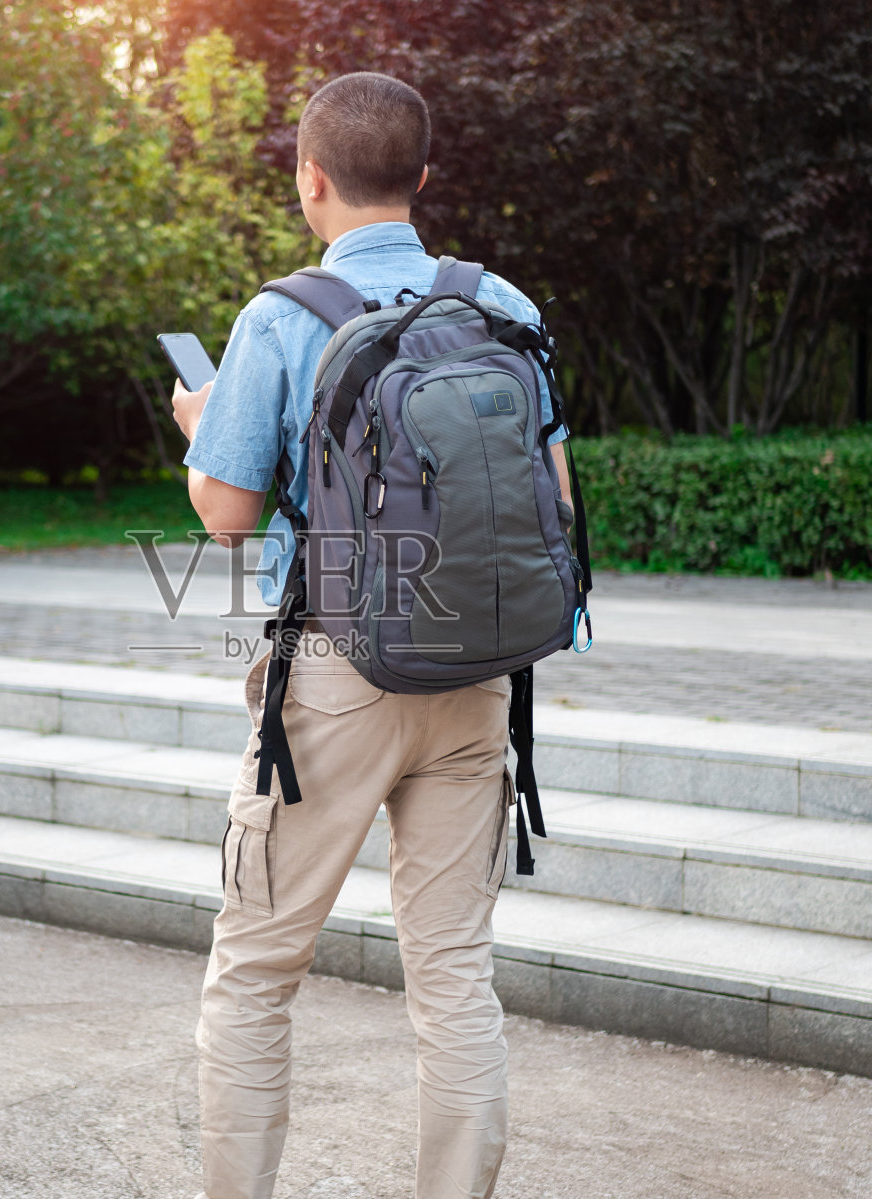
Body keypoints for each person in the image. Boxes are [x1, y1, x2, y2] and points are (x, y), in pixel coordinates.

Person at [169, 71, 574, 1199]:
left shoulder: (280, 316)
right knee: (453, 974)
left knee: (253, 970)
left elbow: (227, 512)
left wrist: (204, 429)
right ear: (423, 178)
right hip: (479, 672)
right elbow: (558, 498)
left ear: (310, 178)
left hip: (334, 676)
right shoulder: (504, 307)